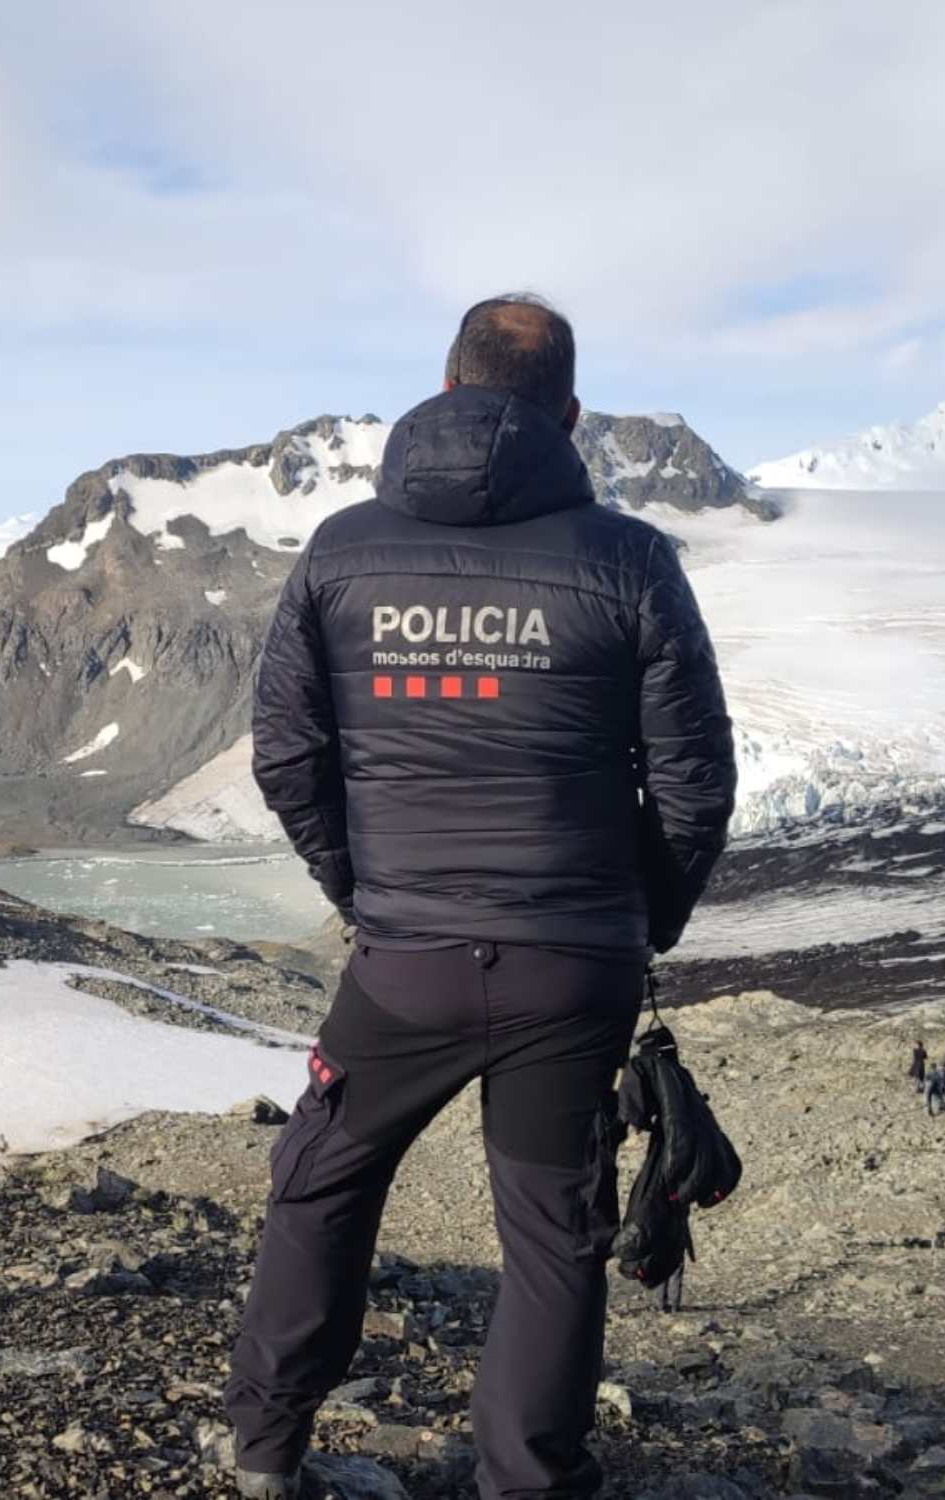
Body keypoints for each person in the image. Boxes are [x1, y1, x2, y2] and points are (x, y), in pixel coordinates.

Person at [225, 294, 738, 1500]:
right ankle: (528, 1482)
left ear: (448, 390)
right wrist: (636, 920)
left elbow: (286, 756)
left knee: (325, 1179)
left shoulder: (344, 550)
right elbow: (695, 780)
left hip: (403, 965)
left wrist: (368, 893)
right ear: (568, 411)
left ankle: (265, 1444)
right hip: (574, 966)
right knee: (555, 1237)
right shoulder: (627, 558)